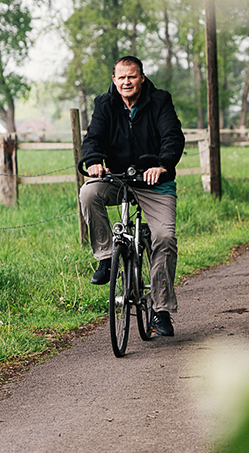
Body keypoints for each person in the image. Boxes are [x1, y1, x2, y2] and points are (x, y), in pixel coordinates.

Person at [79, 56, 185, 337]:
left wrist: (162, 164)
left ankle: (160, 310)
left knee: (164, 238)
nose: (127, 82)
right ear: (114, 79)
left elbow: (172, 136)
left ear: (142, 78)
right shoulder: (104, 103)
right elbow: (93, 138)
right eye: (121, 77)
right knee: (89, 192)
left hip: (154, 182)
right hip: (118, 178)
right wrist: (93, 160)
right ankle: (105, 257)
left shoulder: (160, 100)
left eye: (132, 77)